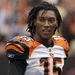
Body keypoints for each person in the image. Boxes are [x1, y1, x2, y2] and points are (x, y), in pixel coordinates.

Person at [5, 1, 69, 75]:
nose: (46, 24)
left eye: (51, 20)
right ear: (34, 22)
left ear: (57, 23)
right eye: (41, 20)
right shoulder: (22, 46)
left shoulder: (62, 44)